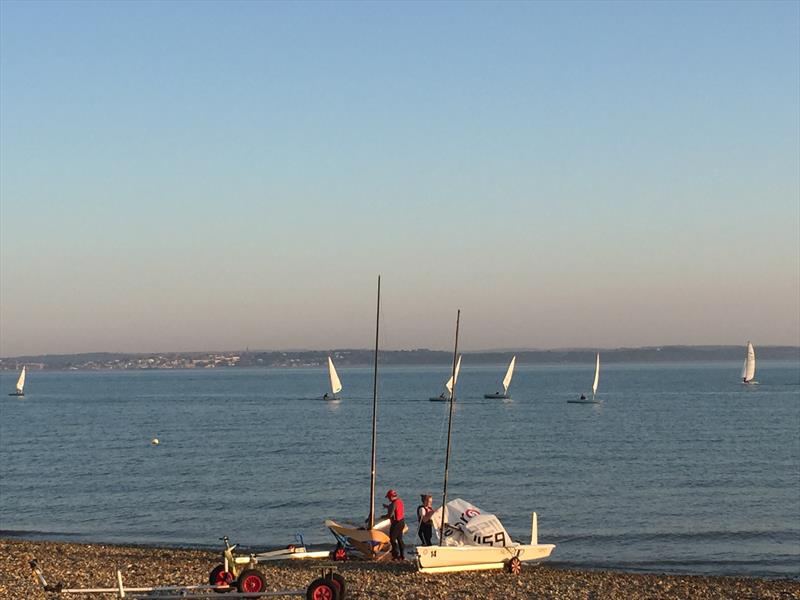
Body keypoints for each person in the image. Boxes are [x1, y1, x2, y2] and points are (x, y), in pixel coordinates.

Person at [381, 489, 405, 561]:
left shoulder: (393, 504)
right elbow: (395, 508)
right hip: (402, 522)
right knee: (400, 539)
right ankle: (402, 555)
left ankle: (395, 555)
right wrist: (387, 507)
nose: (388, 499)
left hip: (396, 524)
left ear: (391, 497)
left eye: (388, 497)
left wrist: (383, 517)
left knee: (392, 539)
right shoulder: (400, 501)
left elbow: (389, 515)